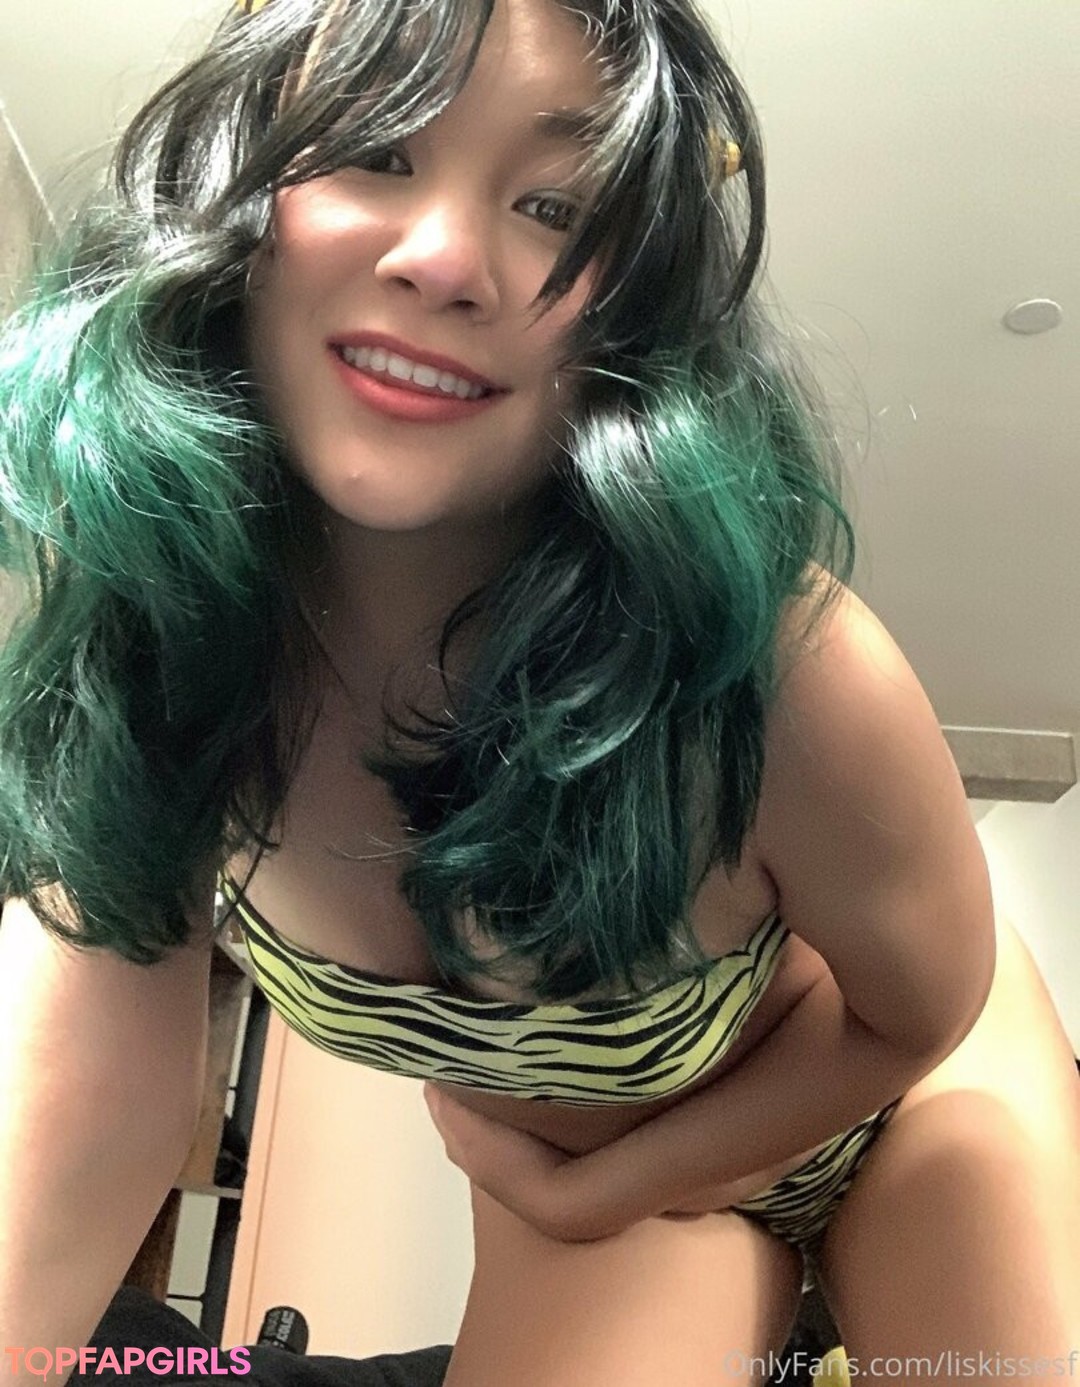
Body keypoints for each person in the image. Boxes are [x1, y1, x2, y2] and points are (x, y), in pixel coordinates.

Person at [1, 0, 1077, 1383]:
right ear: (235, 199)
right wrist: (594, 1202)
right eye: (378, 148)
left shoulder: (787, 665)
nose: (447, 258)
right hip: (591, 1200)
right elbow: (76, 1124)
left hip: (905, 1100)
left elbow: (915, 1012)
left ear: (638, 312)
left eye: (556, 207)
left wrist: (601, 1187)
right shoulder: (159, 660)